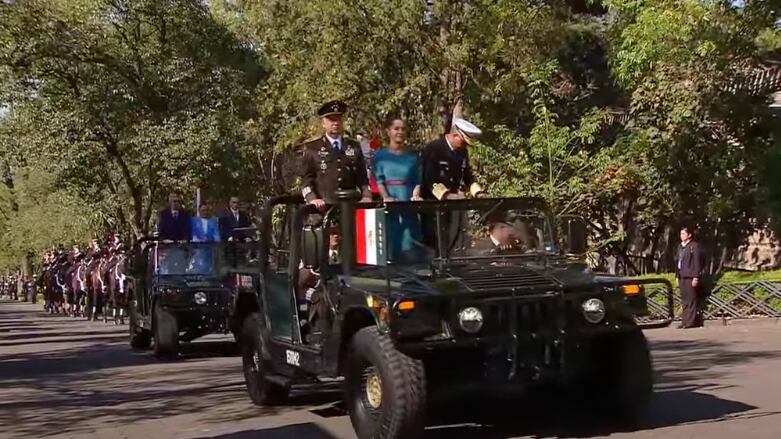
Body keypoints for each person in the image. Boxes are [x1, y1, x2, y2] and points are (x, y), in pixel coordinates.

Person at [299, 100, 373, 208]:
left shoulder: (354, 146)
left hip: (349, 208)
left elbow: (363, 179)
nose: (335, 123)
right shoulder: (312, 148)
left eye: (338, 119)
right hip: (323, 208)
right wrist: (312, 199)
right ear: (323, 123)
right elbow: (306, 181)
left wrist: (367, 196)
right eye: (331, 119)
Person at [373, 118, 424, 261]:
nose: (400, 132)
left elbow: (417, 180)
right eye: (396, 128)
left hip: (407, 199)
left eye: (403, 129)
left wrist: (415, 195)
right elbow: (379, 180)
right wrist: (386, 196)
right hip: (390, 199)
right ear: (388, 131)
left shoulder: (412, 156)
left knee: (410, 240)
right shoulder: (380, 156)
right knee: (392, 234)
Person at [420, 117, 485, 200]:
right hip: (432, 201)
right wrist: (446, 195)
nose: (465, 146)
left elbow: (467, 176)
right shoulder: (434, 149)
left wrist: (478, 192)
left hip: (454, 202)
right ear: (455, 135)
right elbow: (429, 179)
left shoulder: (462, 152)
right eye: (463, 142)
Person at [676, 226, 704, 329]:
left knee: (691, 299)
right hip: (681, 275)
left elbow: (697, 262)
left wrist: (696, 277)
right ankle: (684, 321)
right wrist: (677, 276)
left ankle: (691, 322)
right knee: (684, 299)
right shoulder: (680, 247)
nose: (681, 236)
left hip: (690, 276)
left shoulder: (694, 246)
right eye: (681, 234)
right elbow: (678, 262)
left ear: (689, 235)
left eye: (683, 234)